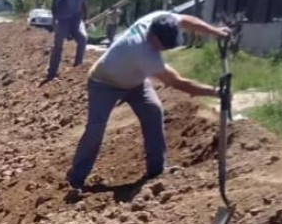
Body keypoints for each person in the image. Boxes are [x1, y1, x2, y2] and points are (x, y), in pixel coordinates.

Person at [66, 11, 231, 190]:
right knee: (95, 129)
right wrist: (215, 92)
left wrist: (215, 31)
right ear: (153, 37)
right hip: (104, 83)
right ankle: (76, 178)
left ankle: (157, 171)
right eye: (162, 46)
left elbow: (186, 20)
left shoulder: (160, 19)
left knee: (153, 112)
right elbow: (177, 82)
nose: (163, 51)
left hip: (136, 82)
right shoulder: (142, 51)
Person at [47, 0, 89, 81]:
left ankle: (77, 67)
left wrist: (86, 17)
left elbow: (84, 2)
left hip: (76, 19)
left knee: (83, 39)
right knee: (59, 44)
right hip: (62, 19)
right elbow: (55, 3)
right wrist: (55, 19)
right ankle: (52, 72)